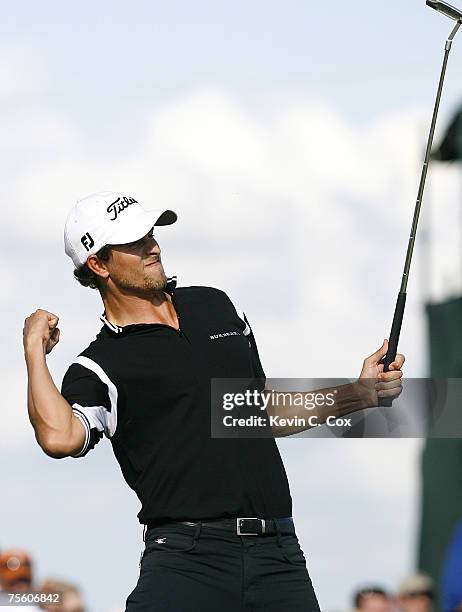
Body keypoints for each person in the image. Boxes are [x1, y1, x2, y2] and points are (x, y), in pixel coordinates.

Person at [23, 192, 405, 611]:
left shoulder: (214, 305)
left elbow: (256, 413)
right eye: (134, 242)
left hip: (279, 556)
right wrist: (34, 351)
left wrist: (359, 393)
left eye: (150, 233)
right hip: (186, 561)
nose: (152, 246)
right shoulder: (99, 365)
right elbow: (60, 438)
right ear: (98, 264)